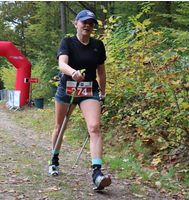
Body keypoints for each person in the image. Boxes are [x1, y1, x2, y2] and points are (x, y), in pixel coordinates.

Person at [49, 10, 110, 191]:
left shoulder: (98, 45)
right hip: (67, 89)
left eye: (91, 23)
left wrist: (103, 94)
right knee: (60, 126)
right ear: (76, 24)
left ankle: (97, 174)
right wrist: (73, 72)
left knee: (94, 127)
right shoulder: (67, 42)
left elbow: (101, 71)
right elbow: (62, 64)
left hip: (89, 91)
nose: (87, 25)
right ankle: (54, 159)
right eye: (84, 22)